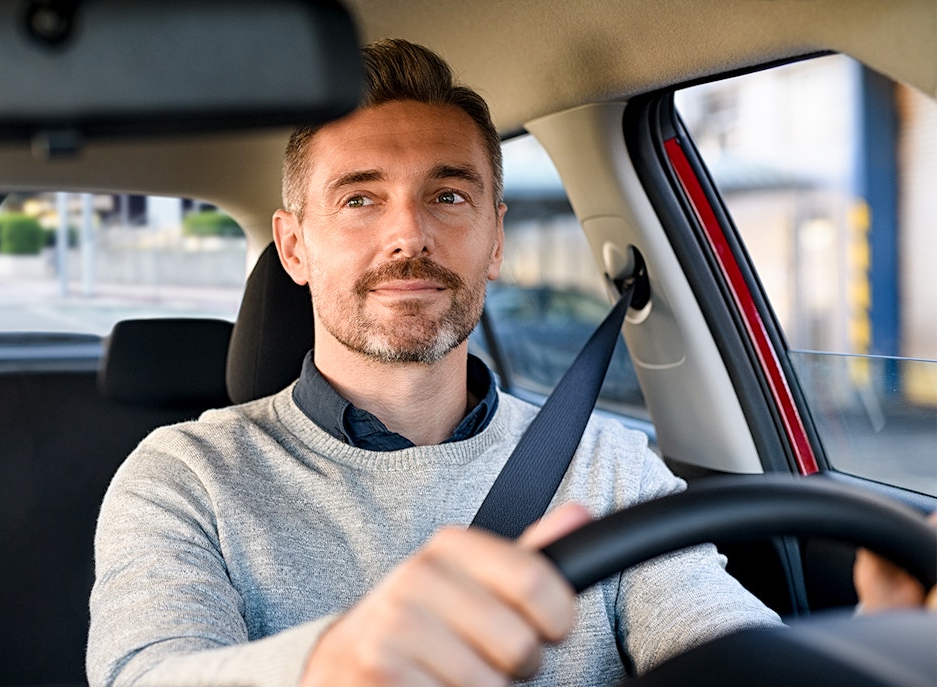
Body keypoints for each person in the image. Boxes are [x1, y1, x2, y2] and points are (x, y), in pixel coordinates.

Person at [87, 39, 782, 687]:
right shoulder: (186, 475)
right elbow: (147, 672)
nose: (408, 235)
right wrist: (332, 663)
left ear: (496, 238)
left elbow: (727, 649)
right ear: (294, 247)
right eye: (360, 199)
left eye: (447, 195)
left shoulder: (611, 466)